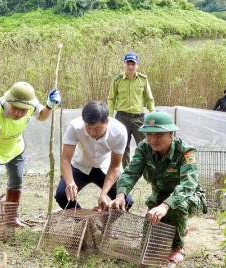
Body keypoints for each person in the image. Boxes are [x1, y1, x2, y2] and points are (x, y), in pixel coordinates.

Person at [110, 111, 206, 265]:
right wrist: (121, 194)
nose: (153, 140)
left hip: (189, 198)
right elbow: (130, 172)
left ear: (171, 134)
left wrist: (165, 206)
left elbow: (188, 185)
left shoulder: (186, 151)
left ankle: (177, 248)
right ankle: (178, 227)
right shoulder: (144, 147)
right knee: (149, 246)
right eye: (148, 135)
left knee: (177, 206)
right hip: (158, 198)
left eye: (158, 135)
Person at [0, 81, 61, 227]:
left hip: (14, 144)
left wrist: (49, 105)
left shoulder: (30, 106)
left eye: (23, 110)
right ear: (9, 102)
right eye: (15, 108)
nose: (18, 114)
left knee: (17, 180)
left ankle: (11, 218)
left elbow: (42, 116)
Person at [54, 101, 134, 211]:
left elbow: (115, 166)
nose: (92, 133)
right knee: (62, 196)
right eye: (88, 127)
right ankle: (83, 223)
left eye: (97, 128)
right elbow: (65, 160)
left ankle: (102, 224)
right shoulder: (75, 126)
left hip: (105, 168)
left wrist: (103, 194)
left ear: (107, 122)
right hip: (79, 167)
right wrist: (70, 182)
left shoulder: (119, 131)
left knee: (126, 201)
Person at [107, 52, 155, 170]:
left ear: (137, 65)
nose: (130, 67)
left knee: (145, 145)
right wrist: (110, 116)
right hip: (121, 118)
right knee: (122, 147)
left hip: (138, 118)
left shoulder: (143, 80)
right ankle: (126, 173)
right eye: (128, 64)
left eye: (133, 64)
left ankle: (148, 171)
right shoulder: (117, 80)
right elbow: (111, 99)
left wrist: (152, 115)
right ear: (124, 64)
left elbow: (149, 99)